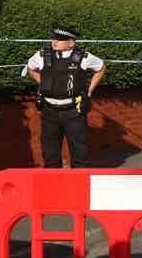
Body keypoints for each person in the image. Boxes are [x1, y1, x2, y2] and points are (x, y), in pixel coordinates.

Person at [23, 28, 106, 168]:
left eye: (60, 40)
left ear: (71, 43)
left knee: (80, 152)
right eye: (54, 38)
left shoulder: (83, 57)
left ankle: (79, 186)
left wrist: (89, 91)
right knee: (50, 154)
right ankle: (53, 186)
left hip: (73, 111)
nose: (55, 42)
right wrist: (43, 82)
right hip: (49, 111)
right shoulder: (43, 55)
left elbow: (101, 67)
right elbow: (31, 67)